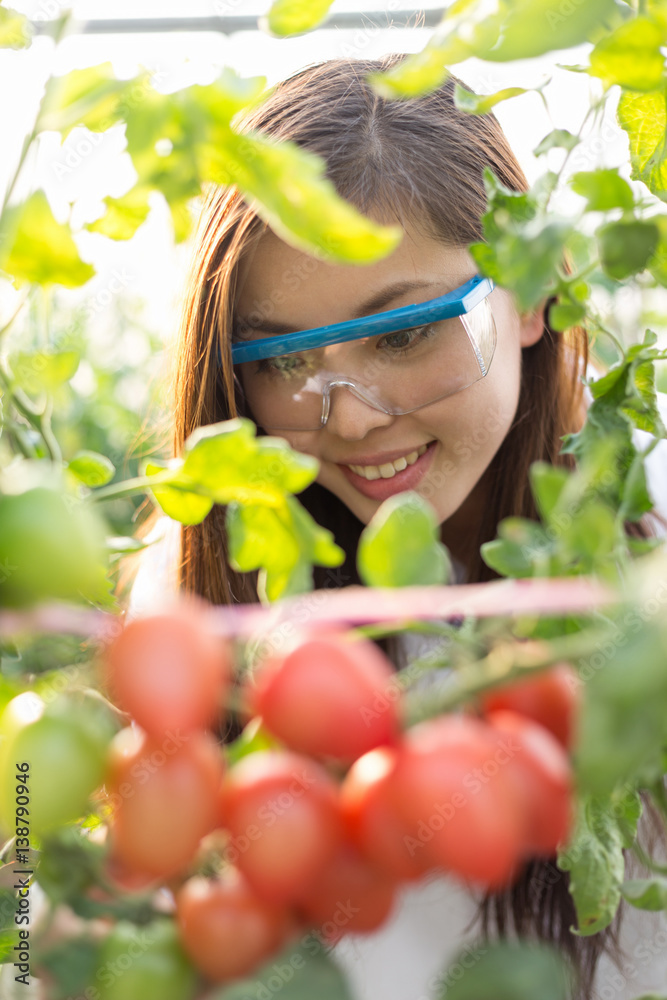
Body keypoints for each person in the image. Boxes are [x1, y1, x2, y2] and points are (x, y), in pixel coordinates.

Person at [128, 54, 667, 1000]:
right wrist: (20, 939)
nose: (348, 418)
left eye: (404, 333)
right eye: (279, 360)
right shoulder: (194, 601)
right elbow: (49, 888)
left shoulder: (642, 551)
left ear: (531, 291)